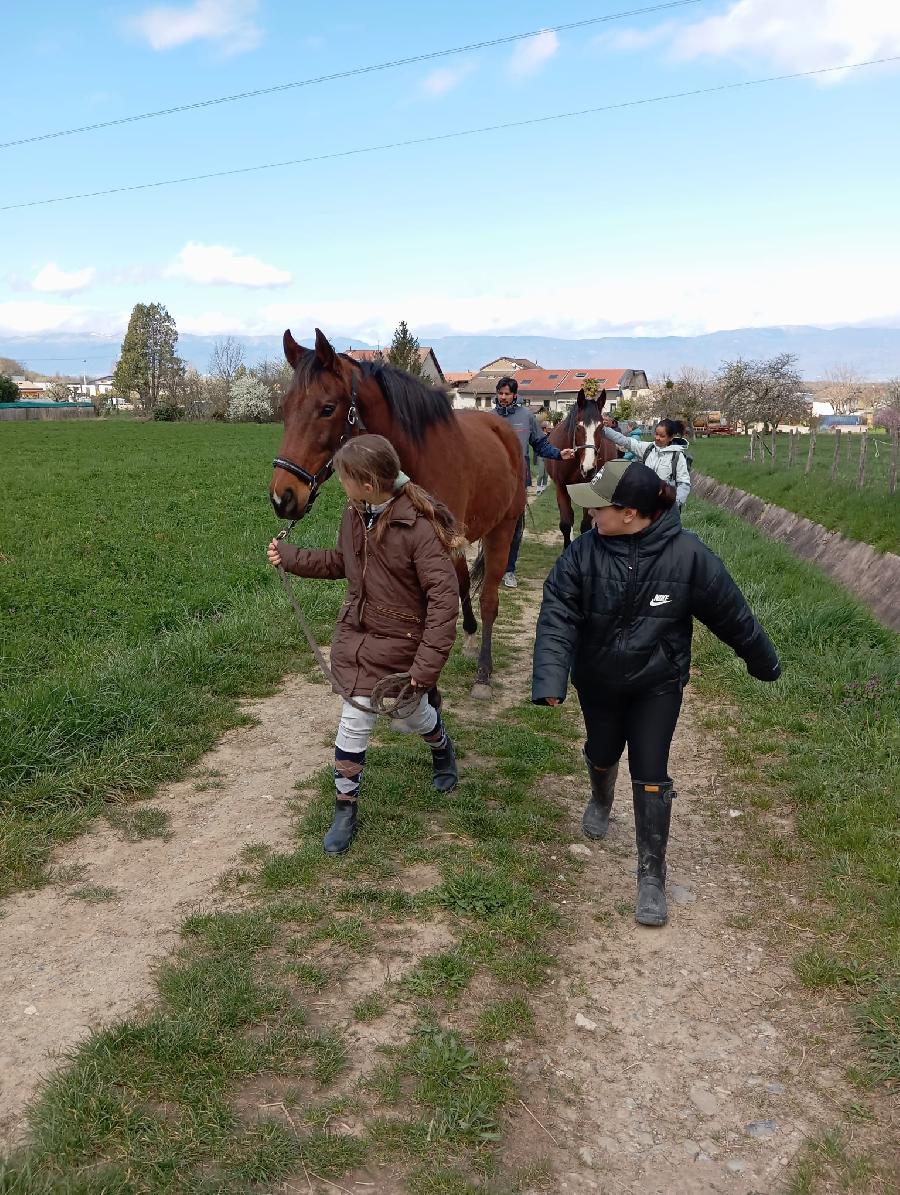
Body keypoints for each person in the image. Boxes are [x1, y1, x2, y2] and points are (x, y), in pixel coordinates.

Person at [531, 459, 780, 927]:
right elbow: (557, 615)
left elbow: (732, 614)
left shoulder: (688, 556)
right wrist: (550, 678)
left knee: (651, 770)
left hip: (657, 684)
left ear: (629, 513)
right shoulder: (582, 554)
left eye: (598, 508)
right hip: (599, 681)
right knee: (602, 751)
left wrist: (762, 660)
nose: (590, 516)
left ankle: (651, 873)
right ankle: (601, 797)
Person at [267, 434, 462, 856]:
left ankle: (441, 746)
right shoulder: (356, 513)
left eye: (344, 479)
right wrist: (292, 557)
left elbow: (444, 602)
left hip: (402, 647)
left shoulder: (419, 528)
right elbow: (344, 561)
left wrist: (425, 669)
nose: (340, 485)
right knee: (354, 723)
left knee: (413, 715)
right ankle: (345, 809)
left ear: (369, 483)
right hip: (358, 638)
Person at [494, 377, 575, 588]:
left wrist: (559, 454)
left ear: (514, 395)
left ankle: (509, 570)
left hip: (518, 479)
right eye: (500, 393)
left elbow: (540, 445)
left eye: (507, 394)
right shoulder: (488, 418)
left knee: (515, 526)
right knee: (490, 525)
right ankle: (491, 566)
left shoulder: (526, 417)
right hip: (492, 480)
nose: (503, 398)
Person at [600, 416, 691, 508]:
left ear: (671, 437)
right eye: (656, 434)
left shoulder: (677, 456)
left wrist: (674, 505)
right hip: (646, 503)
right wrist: (602, 428)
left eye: (662, 436)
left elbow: (684, 484)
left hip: (664, 506)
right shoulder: (649, 449)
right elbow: (625, 441)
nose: (657, 438)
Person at [534, 419, 552, 494]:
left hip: (547, 457)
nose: (550, 429)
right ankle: (538, 489)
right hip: (541, 457)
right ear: (544, 428)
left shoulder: (549, 436)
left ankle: (543, 488)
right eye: (548, 428)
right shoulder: (540, 436)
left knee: (546, 474)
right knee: (541, 474)